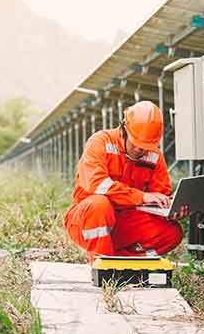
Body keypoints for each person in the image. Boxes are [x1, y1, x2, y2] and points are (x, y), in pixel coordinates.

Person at [64, 100, 189, 262]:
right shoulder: (100, 142)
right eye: (136, 145)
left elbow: (160, 196)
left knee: (172, 233)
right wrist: (142, 197)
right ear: (123, 129)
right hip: (87, 220)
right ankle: (102, 265)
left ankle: (124, 262)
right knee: (99, 204)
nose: (141, 150)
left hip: (124, 223)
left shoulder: (155, 156)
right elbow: (97, 184)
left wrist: (170, 210)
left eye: (146, 147)